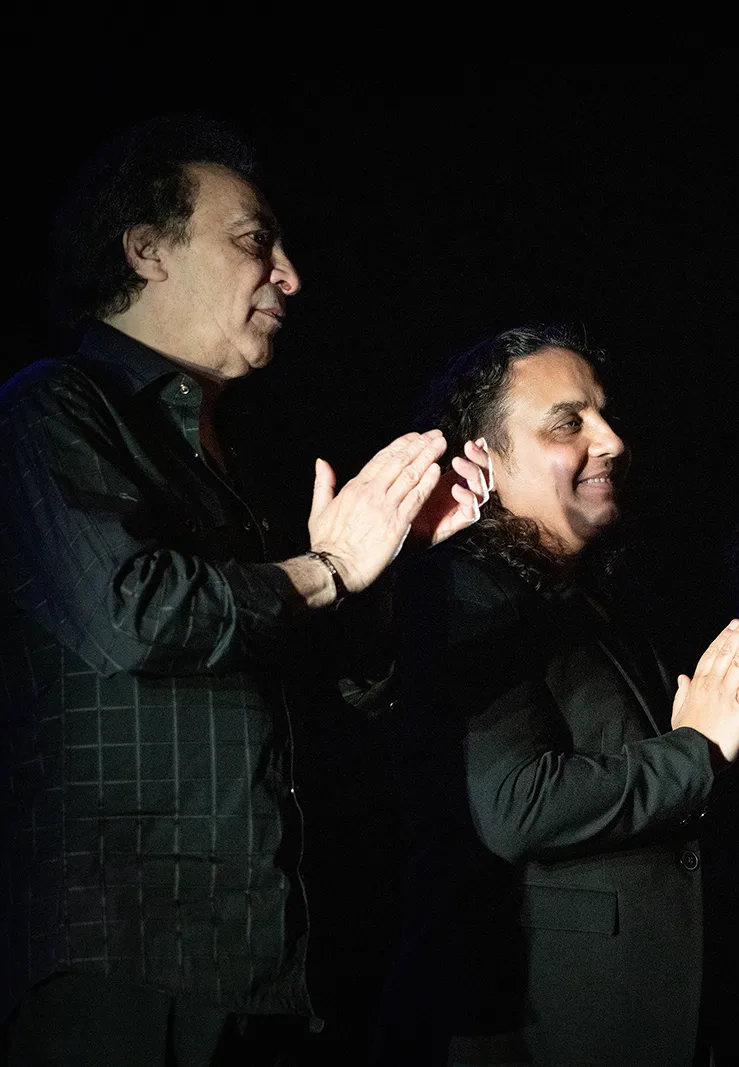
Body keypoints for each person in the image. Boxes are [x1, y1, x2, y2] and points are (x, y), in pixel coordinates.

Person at [0, 116, 490, 1065]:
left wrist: (379, 568)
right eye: (255, 242)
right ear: (147, 250)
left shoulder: (233, 461)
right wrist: (329, 569)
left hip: (263, 960)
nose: (290, 276)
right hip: (120, 961)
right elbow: (135, 612)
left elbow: (349, 691)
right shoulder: (48, 408)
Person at [379, 327, 739, 1066]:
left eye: (605, 414)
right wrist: (699, 750)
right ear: (481, 457)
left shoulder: (607, 589)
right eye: (568, 422)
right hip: (546, 1025)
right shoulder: (464, 589)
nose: (611, 440)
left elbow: (663, 778)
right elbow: (515, 803)